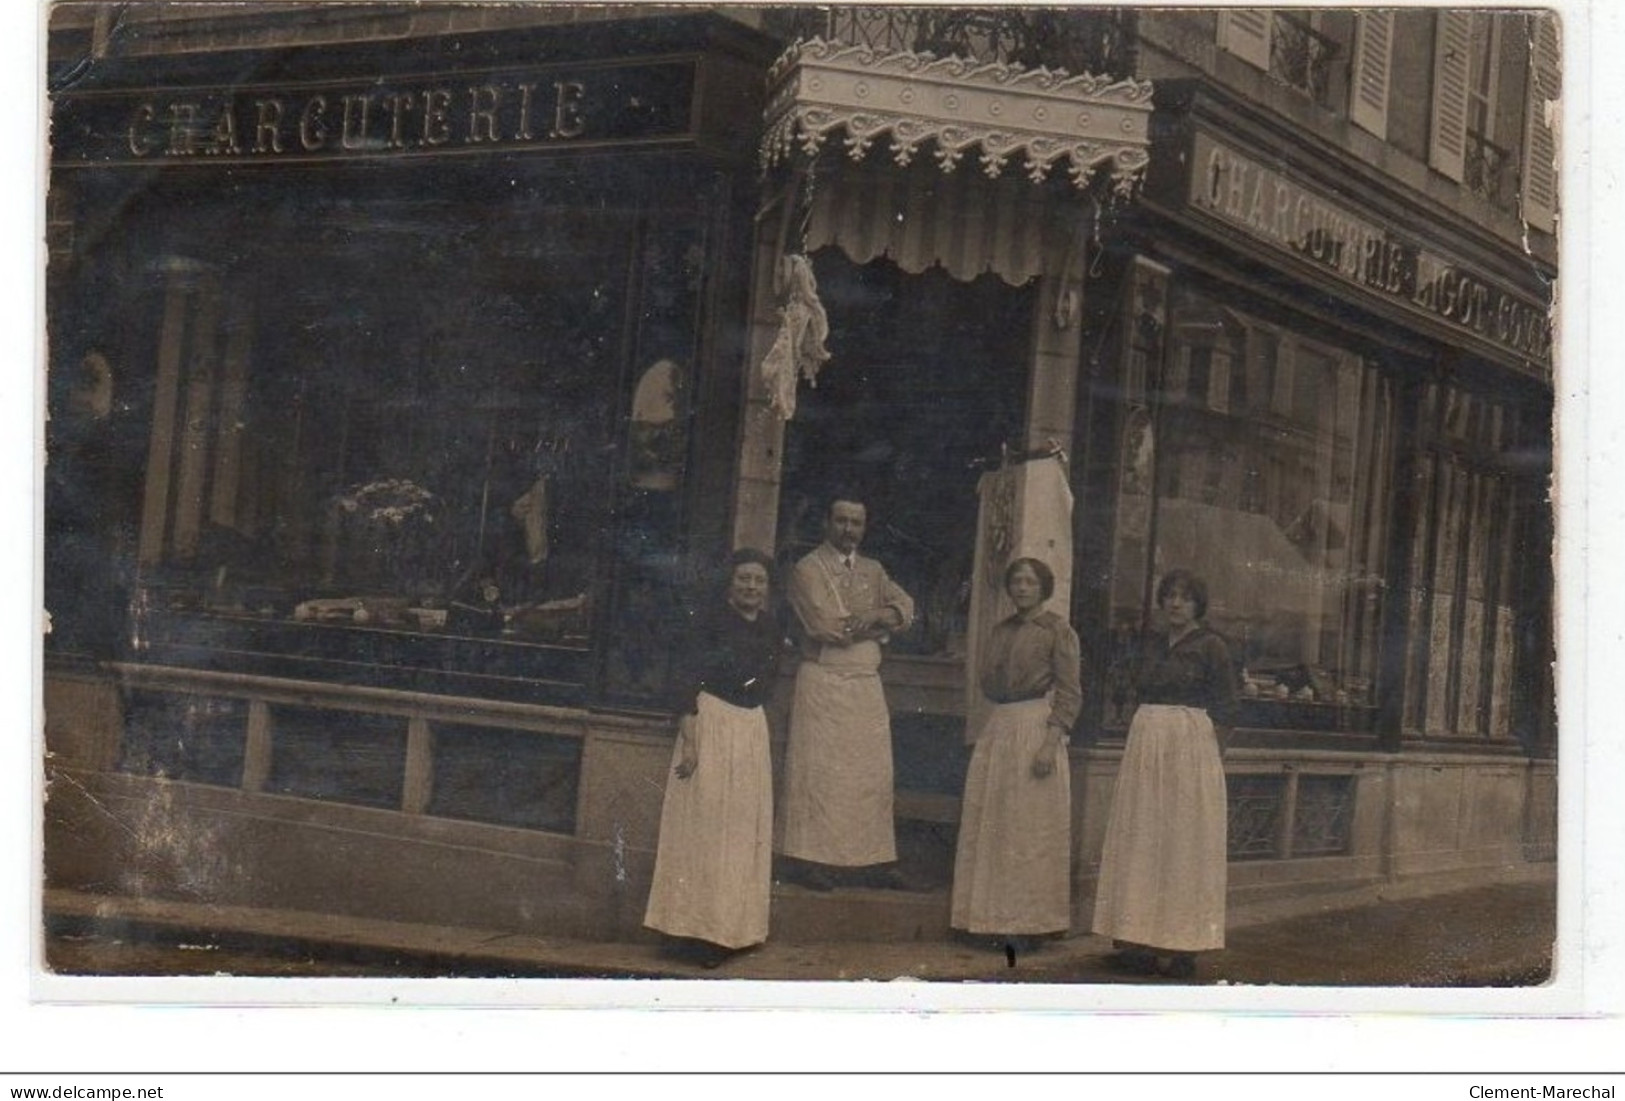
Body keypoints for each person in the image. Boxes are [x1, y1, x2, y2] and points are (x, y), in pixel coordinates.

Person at [1091, 568, 1237, 979]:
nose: (1175, 603)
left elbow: (1227, 709)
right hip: (1146, 744)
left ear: (1198, 605)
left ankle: (1180, 946)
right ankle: (1134, 940)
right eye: (1169, 595)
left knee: (1181, 844)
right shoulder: (1150, 644)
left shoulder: (1212, 648)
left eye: (1185, 597)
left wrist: (1206, 761)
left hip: (1189, 747)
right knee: (1142, 838)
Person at [643, 548, 782, 968]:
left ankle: (733, 930)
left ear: (767, 588)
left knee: (740, 832)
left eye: (758, 581)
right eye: (743, 579)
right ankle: (692, 932)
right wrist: (691, 740)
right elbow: (684, 679)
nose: (751, 587)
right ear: (730, 583)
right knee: (704, 830)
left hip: (750, 728)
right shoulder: (706, 622)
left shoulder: (772, 628)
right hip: (712, 723)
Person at [778, 496, 915, 891]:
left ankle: (868, 860)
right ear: (827, 523)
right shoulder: (806, 569)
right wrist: (881, 621)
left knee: (869, 773)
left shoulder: (874, 570)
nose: (848, 530)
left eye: (856, 522)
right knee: (819, 773)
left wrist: (875, 616)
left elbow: (906, 607)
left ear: (864, 527)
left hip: (865, 683)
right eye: (841, 521)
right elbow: (827, 626)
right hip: (823, 678)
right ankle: (809, 859)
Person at [950, 557, 1081, 949]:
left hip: (1035, 727)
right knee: (995, 821)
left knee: (1028, 829)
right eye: (1016, 582)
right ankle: (986, 917)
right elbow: (988, 682)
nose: (1022, 588)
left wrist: (1050, 742)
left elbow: (1071, 692)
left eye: (1030, 582)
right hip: (1001, 726)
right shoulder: (1000, 630)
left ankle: (1029, 922)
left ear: (1043, 587)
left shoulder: (1058, 630)